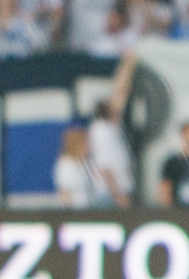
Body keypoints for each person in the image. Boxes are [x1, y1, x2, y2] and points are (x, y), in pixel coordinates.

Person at [87, 52, 137, 207]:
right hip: (110, 195)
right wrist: (118, 195)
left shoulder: (111, 128)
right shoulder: (102, 131)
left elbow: (120, 93)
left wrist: (129, 65)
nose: (119, 108)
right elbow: (105, 167)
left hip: (117, 191)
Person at [54, 126, 99, 208]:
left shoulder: (85, 163)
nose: (89, 145)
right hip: (75, 211)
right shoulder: (66, 164)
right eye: (86, 142)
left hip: (89, 208)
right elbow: (64, 192)